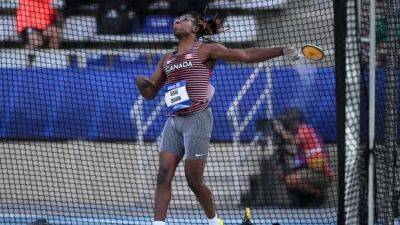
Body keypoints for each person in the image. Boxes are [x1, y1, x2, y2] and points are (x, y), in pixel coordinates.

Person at [135, 11, 296, 225]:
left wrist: (281, 50)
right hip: (173, 120)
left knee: (193, 180)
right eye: (176, 19)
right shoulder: (167, 59)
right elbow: (150, 94)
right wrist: (142, 84)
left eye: (183, 19)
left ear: (194, 28)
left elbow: (246, 55)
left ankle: (214, 221)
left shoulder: (206, 49)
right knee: (163, 174)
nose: (176, 21)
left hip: (198, 118)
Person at [271, 107, 335, 206]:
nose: (288, 124)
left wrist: (281, 130)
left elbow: (294, 141)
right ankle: (302, 201)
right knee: (283, 175)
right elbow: (293, 152)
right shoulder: (299, 134)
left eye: (289, 121)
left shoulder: (305, 129)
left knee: (291, 179)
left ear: (296, 121)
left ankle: (319, 195)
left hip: (322, 174)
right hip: (311, 170)